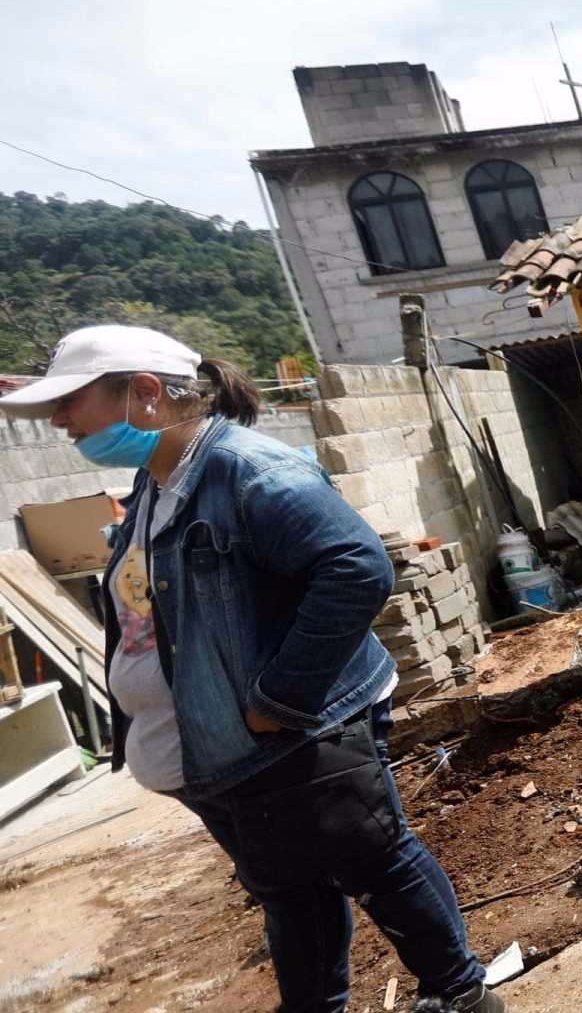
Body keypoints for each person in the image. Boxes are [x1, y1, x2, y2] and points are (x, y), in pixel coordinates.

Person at [0, 326, 506, 1013]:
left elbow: (356, 569)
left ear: (146, 394)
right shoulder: (159, 483)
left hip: (285, 738)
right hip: (223, 755)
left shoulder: (251, 472)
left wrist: (278, 700)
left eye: (73, 403)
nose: (59, 421)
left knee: (371, 860)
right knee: (290, 890)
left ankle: (461, 996)